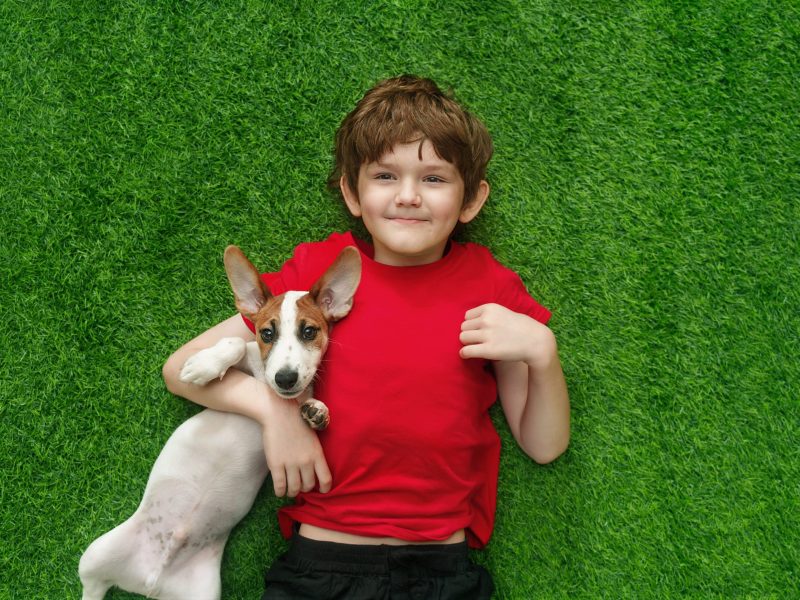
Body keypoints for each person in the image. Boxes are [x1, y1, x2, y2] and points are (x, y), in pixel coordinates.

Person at [162, 75, 570, 599]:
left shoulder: (490, 286)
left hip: (441, 569)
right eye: (384, 174)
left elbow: (544, 445)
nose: (407, 196)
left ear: (472, 200)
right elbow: (181, 369)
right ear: (352, 193)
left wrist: (543, 351)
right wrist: (276, 412)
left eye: (434, 179)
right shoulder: (316, 279)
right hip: (320, 563)